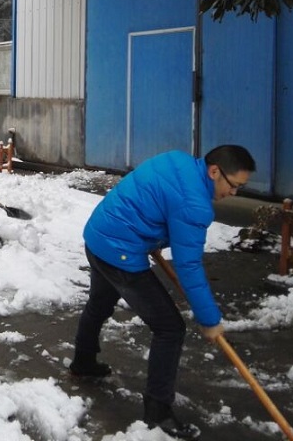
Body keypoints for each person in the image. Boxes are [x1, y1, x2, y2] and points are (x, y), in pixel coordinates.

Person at [71, 145, 256, 440]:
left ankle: (83, 362)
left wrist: (153, 235)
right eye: (234, 185)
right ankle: (158, 413)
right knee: (170, 328)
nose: (234, 192)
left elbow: (149, 199)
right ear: (214, 171)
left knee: (100, 303)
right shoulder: (194, 204)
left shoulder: (177, 160)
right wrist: (209, 320)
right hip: (119, 250)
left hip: (98, 234)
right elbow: (189, 266)